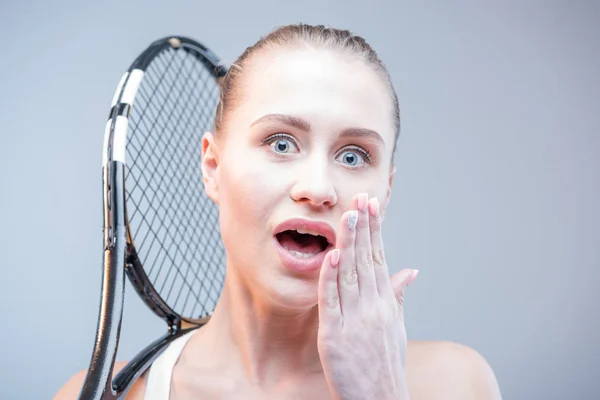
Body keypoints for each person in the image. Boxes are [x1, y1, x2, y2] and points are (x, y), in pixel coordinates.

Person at [55, 24, 502, 399]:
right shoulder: (104, 393)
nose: (318, 188)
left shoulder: (454, 384)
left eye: (353, 156)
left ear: (385, 190)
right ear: (213, 167)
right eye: (281, 143)